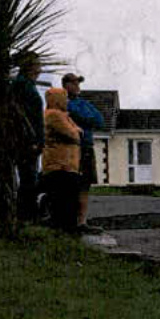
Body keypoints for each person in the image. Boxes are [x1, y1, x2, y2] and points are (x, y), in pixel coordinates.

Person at [61, 73, 105, 232]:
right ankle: (70, 221)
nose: (77, 86)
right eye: (74, 83)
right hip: (72, 147)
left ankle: (82, 221)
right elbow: (75, 117)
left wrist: (85, 119)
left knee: (85, 184)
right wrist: (85, 119)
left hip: (86, 146)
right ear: (66, 85)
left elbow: (99, 120)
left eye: (78, 83)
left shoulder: (84, 102)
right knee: (71, 183)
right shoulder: (63, 103)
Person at [40, 87, 82, 231]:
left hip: (68, 165)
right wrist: (76, 132)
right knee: (63, 201)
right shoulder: (54, 115)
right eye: (64, 98)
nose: (67, 101)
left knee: (69, 201)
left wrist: (76, 131)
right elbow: (74, 134)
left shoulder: (64, 115)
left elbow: (78, 132)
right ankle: (64, 231)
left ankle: (67, 229)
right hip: (59, 165)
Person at [11, 51, 44, 222]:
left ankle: (28, 214)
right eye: (37, 65)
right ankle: (27, 216)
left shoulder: (26, 85)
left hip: (30, 140)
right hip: (27, 141)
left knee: (29, 178)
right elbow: (23, 117)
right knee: (28, 179)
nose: (40, 69)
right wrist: (32, 140)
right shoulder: (23, 86)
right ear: (29, 67)